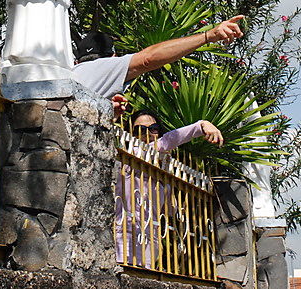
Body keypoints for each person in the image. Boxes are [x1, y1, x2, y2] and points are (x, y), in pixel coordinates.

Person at [115, 109, 223, 267]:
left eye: (153, 128)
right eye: (140, 129)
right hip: (123, 234)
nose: (147, 133)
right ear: (131, 132)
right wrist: (201, 125)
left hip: (150, 238)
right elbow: (168, 140)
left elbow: (165, 209)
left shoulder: (163, 167)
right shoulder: (127, 153)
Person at [72, 15, 245, 99]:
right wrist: (209, 36)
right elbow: (148, 59)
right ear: (113, 55)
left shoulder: (73, 72)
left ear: (77, 60)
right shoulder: (104, 66)